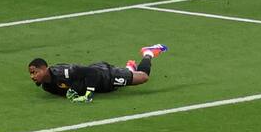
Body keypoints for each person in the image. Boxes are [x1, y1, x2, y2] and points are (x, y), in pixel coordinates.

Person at [28, 44, 167, 103]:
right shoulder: (47, 86)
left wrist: (88, 94)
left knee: (143, 77)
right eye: (31, 74)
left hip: (104, 75)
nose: (32, 76)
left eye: (35, 72)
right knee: (117, 85)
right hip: (100, 86)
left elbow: (92, 73)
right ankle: (129, 68)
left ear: (45, 68)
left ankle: (148, 52)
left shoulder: (64, 71)